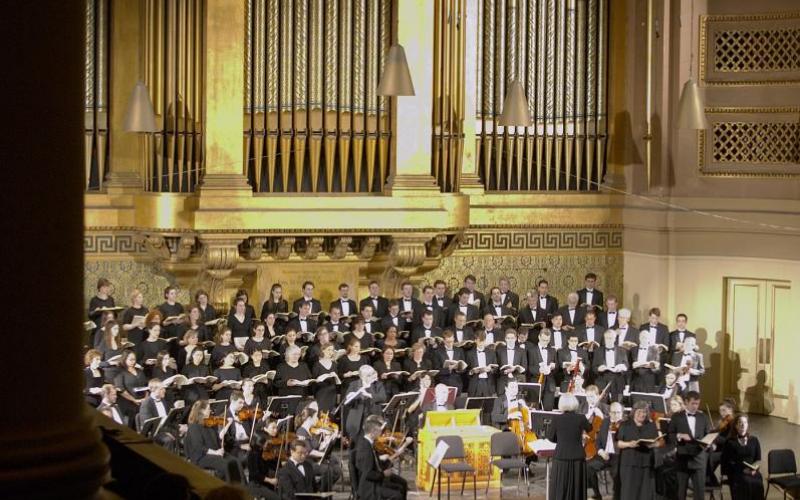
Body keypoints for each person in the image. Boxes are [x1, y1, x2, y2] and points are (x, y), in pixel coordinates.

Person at [183, 400, 244, 483]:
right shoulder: (194, 427)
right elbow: (199, 447)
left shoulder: (209, 423)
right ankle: (229, 489)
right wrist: (216, 453)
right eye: (208, 409)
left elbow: (219, 437)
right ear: (201, 411)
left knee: (236, 462)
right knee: (226, 465)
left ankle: (244, 488)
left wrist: (228, 424)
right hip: (202, 456)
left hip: (215, 451)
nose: (210, 410)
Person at [546, 393, 592, 500]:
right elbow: (590, 428)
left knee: (561, 486)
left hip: (561, 457)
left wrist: (562, 440)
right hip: (577, 457)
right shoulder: (581, 418)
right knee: (576, 487)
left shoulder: (557, 419)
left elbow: (550, 437)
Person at [668, 391, 712, 500]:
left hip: (699, 459)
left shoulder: (703, 417)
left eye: (697, 403)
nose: (695, 406)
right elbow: (670, 435)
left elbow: (709, 435)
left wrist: (710, 444)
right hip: (683, 459)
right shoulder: (677, 417)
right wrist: (679, 435)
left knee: (699, 494)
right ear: (686, 402)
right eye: (693, 403)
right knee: (680, 492)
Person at [355, 415, 408, 499]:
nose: (381, 432)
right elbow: (368, 474)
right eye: (379, 430)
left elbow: (376, 464)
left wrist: (389, 461)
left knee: (402, 485)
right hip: (370, 488)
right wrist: (383, 474)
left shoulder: (369, 444)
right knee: (397, 495)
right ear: (372, 431)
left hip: (375, 481)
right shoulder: (365, 449)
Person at [294, 401, 342, 491]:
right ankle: (320, 492)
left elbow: (319, 447)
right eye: (315, 416)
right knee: (327, 470)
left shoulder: (310, 432)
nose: (317, 419)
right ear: (309, 418)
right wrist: (322, 455)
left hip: (314, 460)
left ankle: (319, 489)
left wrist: (329, 440)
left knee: (337, 470)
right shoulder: (301, 432)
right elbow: (309, 452)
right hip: (306, 462)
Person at [617, 400, 660, 500]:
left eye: (644, 412)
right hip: (629, 464)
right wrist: (629, 444)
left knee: (645, 493)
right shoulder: (625, 425)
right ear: (634, 412)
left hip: (646, 464)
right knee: (629, 492)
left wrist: (653, 444)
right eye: (639, 412)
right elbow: (618, 443)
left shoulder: (651, 425)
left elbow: (657, 442)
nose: (642, 414)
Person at [722, 414, 764, 500]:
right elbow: (727, 461)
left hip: (752, 472)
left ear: (747, 425)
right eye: (740, 422)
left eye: (745, 422)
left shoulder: (754, 440)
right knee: (745, 481)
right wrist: (742, 469)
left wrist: (754, 468)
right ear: (736, 426)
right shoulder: (730, 442)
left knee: (758, 480)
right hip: (737, 472)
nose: (743, 425)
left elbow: (758, 459)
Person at [587, 402, 623, 500]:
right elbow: (598, 442)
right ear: (609, 413)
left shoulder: (625, 424)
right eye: (614, 412)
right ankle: (597, 495)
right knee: (587, 467)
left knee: (616, 473)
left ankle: (617, 497)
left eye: (618, 413)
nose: (616, 415)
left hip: (618, 456)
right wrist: (601, 451)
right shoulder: (605, 422)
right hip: (604, 454)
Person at [343, 365, 387, 439]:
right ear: (361, 376)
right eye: (368, 375)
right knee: (357, 440)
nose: (371, 377)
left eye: (371, 374)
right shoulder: (354, 384)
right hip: (357, 417)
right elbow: (347, 402)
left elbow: (383, 397)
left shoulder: (378, 384)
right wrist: (353, 396)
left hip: (373, 415)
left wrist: (369, 395)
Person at [114, 350, 148, 427]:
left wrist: (146, 398)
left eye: (134, 359)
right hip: (128, 403)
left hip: (142, 402)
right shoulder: (120, 372)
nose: (133, 361)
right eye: (131, 359)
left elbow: (146, 385)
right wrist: (134, 400)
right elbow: (121, 389)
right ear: (124, 359)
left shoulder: (139, 371)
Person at [528, 328, 557, 409]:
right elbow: (529, 368)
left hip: (550, 385)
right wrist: (539, 370)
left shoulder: (553, 350)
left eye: (547, 340)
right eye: (544, 340)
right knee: (534, 409)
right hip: (536, 383)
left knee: (548, 409)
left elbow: (557, 368)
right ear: (539, 337)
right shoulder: (531, 350)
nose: (545, 342)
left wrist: (553, 367)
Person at [465, 331, 497, 397]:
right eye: (479, 341)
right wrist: (472, 371)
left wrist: (490, 370)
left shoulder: (491, 353)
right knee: (474, 405)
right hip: (475, 384)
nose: (481, 343)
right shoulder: (469, 354)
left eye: (483, 341)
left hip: (487, 383)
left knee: (488, 405)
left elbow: (495, 368)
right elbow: (466, 371)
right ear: (475, 340)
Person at [312, 343, 340, 412]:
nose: (331, 352)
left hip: (332, 393)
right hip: (321, 393)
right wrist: (321, 378)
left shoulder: (334, 364)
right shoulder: (317, 365)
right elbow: (313, 382)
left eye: (332, 350)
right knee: (321, 415)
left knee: (330, 415)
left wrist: (336, 377)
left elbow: (338, 383)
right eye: (329, 350)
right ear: (323, 350)